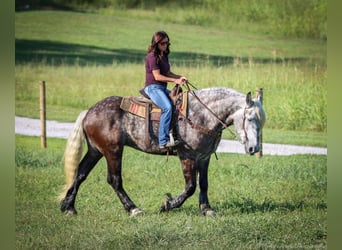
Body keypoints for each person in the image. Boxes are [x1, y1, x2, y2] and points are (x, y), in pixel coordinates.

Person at [142, 31, 188, 149]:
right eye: (162, 43)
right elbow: (157, 76)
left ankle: (176, 133)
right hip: (152, 88)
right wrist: (175, 81)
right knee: (167, 107)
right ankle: (163, 141)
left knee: (180, 100)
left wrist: (179, 77)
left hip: (162, 88)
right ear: (156, 43)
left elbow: (167, 73)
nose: (165, 45)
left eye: (167, 43)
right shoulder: (151, 57)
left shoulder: (164, 56)